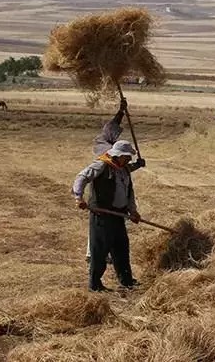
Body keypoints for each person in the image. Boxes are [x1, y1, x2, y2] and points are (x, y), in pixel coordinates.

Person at [73, 140, 142, 292]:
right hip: (102, 215)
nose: (129, 160)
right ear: (118, 156)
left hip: (119, 215)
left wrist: (133, 211)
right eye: (127, 157)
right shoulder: (101, 165)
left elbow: (128, 192)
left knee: (121, 248)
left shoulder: (124, 170)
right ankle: (95, 285)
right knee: (99, 251)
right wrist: (79, 197)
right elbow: (81, 177)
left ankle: (126, 281)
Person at [85, 98, 145, 263]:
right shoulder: (105, 151)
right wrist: (120, 112)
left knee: (110, 224)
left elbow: (123, 169)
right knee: (99, 223)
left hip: (114, 189)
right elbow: (110, 128)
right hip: (103, 190)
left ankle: (105, 253)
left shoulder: (115, 153)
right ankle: (93, 254)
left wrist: (136, 165)